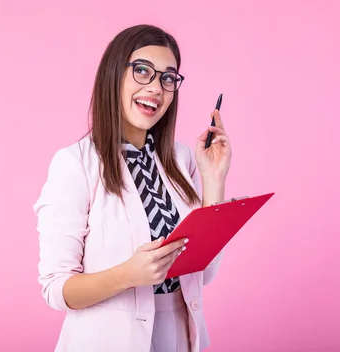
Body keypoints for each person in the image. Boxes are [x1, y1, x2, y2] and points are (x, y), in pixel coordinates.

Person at [33, 24, 232, 352]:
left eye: (168, 78)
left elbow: (203, 274)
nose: (156, 87)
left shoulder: (182, 159)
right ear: (114, 75)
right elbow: (57, 289)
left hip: (179, 337)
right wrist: (128, 274)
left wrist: (214, 180)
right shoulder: (75, 164)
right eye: (143, 71)